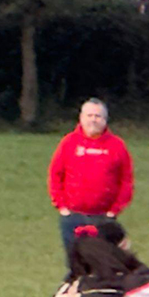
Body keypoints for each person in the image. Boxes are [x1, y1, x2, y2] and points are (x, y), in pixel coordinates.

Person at [48, 99, 135, 251]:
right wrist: (62, 207)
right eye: (89, 115)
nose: (93, 120)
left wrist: (113, 211)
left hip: (103, 218)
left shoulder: (117, 146)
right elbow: (55, 175)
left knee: (103, 260)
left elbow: (126, 180)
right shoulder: (69, 143)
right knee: (75, 261)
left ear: (105, 120)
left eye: (98, 116)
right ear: (81, 118)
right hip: (73, 217)